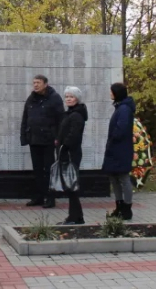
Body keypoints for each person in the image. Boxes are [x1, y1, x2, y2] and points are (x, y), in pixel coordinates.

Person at [20, 75, 65, 208]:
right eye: (34, 83)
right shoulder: (31, 99)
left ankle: (50, 198)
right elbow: (25, 118)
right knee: (37, 170)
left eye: (38, 83)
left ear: (45, 84)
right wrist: (24, 137)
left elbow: (61, 119)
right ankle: (39, 196)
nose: (35, 85)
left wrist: (58, 137)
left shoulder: (54, 98)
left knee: (49, 170)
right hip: (34, 140)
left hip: (49, 140)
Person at [102, 82, 136, 220]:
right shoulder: (120, 107)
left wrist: (113, 138)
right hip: (115, 148)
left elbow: (121, 129)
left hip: (120, 149)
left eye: (112, 91)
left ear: (117, 93)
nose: (110, 94)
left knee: (123, 177)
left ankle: (126, 209)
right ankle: (119, 206)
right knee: (114, 178)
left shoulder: (124, 109)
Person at [55, 86, 87, 225]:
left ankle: (75, 217)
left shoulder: (76, 115)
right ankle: (76, 216)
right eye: (66, 96)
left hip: (70, 154)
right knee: (70, 186)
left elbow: (74, 135)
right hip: (66, 152)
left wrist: (64, 146)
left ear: (77, 99)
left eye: (71, 96)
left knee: (71, 185)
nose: (68, 99)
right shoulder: (70, 114)